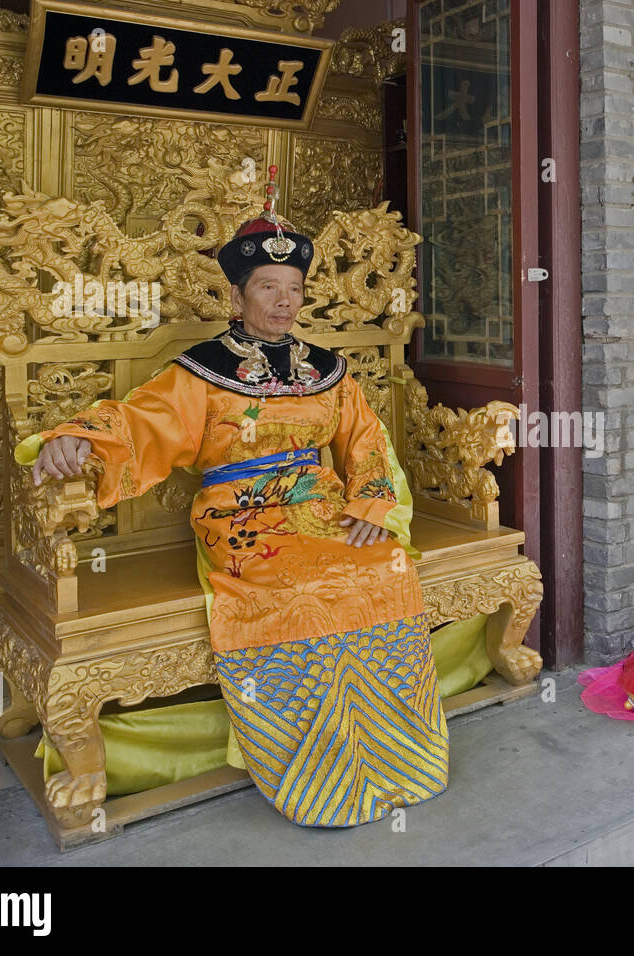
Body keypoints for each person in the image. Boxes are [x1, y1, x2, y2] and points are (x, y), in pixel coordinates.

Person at [28, 203, 448, 828]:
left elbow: (366, 440)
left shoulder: (327, 369)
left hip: (320, 505)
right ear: (237, 294)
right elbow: (142, 420)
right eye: (268, 288)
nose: (284, 302)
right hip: (241, 516)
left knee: (383, 563)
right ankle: (315, 769)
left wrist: (372, 501)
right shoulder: (201, 370)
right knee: (294, 584)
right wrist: (79, 439)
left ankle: (392, 755)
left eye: (294, 289)